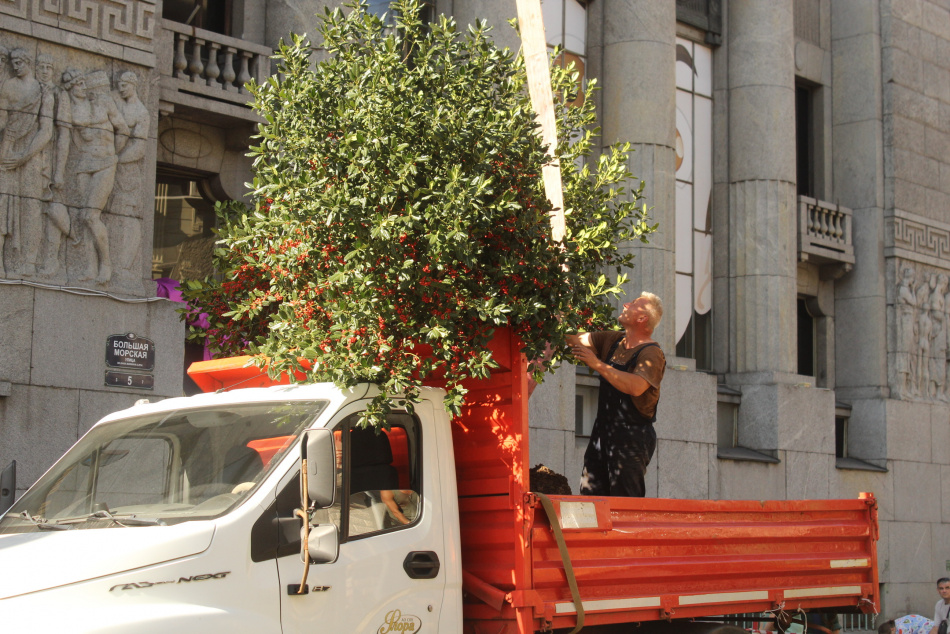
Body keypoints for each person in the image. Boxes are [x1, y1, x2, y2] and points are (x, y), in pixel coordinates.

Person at [568, 292, 666, 497]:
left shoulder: (651, 353)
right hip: (602, 433)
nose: (625, 304)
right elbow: (573, 339)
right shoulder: (613, 340)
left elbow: (636, 386)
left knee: (625, 502)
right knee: (590, 496)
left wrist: (597, 364)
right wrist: (558, 305)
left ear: (642, 319)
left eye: (634, 304)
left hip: (632, 437)